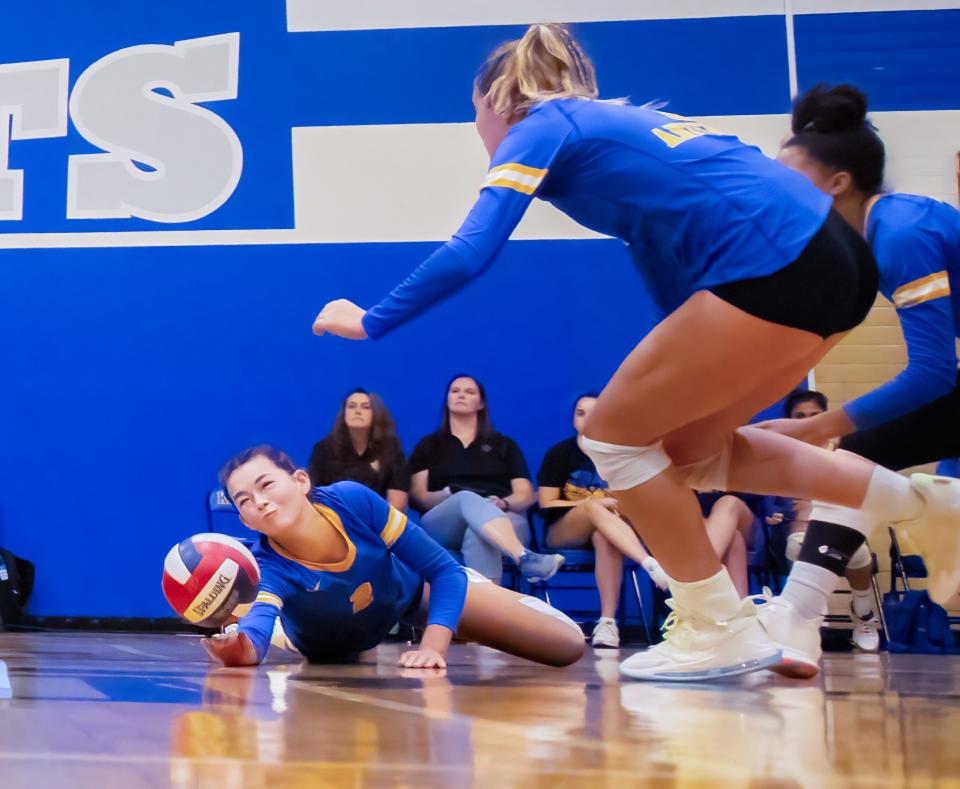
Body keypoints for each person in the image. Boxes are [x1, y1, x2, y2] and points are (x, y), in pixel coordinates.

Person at [310, 24, 960, 681]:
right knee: (690, 452)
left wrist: (371, 319)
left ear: (496, 102)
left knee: (613, 437)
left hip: (776, 263)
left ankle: (716, 625)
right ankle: (930, 507)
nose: (478, 129)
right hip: (836, 266)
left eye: (473, 115)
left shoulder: (540, 124)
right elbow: (664, 267)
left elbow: (471, 249)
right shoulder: (624, 127)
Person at [755, 84, 960, 672]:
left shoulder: (902, 233)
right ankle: (798, 614)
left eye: (790, 176)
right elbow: (804, 339)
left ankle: (798, 612)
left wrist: (815, 426)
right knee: (863, 450)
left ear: (838, 182)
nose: (776, 190)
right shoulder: (866, 244)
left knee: (861, 447)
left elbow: (932, 374)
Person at [202, 446, 586, 669]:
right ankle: (291, 634)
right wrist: (240, 649)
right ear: (243, 518)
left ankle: (475, 602)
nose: (261, 502)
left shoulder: (351, 500)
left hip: (408, 598)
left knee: (567, 644)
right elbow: (254, 639)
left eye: (266, 484)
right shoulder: (267, 566)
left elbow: (443, 570)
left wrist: (433, 647)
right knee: (297, 637)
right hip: (335, 645)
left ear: (301, 481)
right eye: (245, 501)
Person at [538, 393, 670, 649]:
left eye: (595, 413)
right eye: (580, 413)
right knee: (593, 508)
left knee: (604, 537)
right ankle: (651, 565)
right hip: (564, 530)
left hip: (611, 529)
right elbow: (546, 503)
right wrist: (592, 504)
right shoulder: (560, 453)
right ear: (573, 419)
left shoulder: (621, 456)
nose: (587, 419)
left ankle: (607, 623)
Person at [408, 374, 563, 585]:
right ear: (447, 399)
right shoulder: (428, 446)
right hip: (444, 520)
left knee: (479, 533)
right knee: (465, 497)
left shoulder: (504, 445)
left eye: (469, 392)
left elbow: (525, 494)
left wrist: (506, 502)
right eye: (455, 391)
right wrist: (446, 495)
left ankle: (482, 612)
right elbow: (419, 496)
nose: (461, 395)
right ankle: (524, 557)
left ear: (481, 403)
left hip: (501, 514)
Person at [782, 389, 880, 652]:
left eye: (814, 415)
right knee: (798, 544)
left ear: (826, 416)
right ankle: (813, 618)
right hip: (797, 528)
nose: (807, 420)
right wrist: (779, 512)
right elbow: (769, 499)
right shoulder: (780, 451)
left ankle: (863, 614)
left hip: (841, 525)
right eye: (800, 416)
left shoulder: (846, 448)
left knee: (857, 554)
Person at [308, 388, 410, 511]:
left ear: (376, 413)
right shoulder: (323, 450)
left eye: (365, 407)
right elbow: (315, 497)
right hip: (334, 520)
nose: (357, 411)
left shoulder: (391, 450)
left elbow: (397, 503)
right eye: (352, 406)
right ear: (344, 413)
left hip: (378, 522)